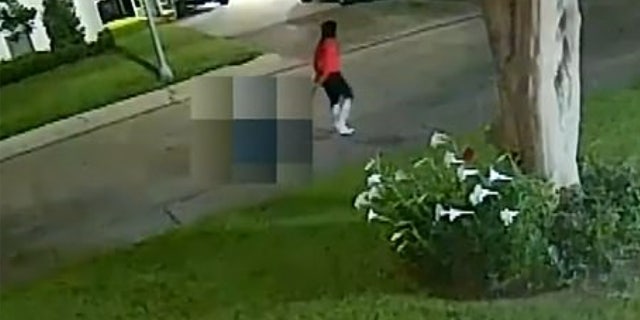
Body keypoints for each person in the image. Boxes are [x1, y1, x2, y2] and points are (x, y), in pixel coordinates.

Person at [313, 20, 355, 136]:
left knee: (334, 100)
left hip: (324, 76)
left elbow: (316, 61)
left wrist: (318, 76)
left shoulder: (321, 43)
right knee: (348, 96)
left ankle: (337, 123)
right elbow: (329, 64)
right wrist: (323, 77)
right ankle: (342, 124)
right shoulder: (331, 44)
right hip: (333, 75)